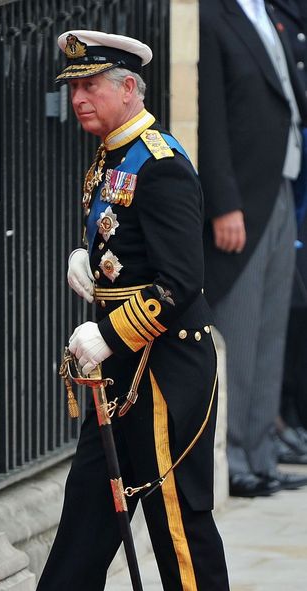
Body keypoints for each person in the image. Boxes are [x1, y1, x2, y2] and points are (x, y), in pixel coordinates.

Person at [0, 29, 239, 591]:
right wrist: (89, 268)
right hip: (122, 362)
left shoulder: (161, 162)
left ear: (128, 88)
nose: (79, 98)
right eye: (74, 87)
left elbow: (180, 282)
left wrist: (110, 331)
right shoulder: (108, 157)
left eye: (91, 86)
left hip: (165, 362)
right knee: (90, 493)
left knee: (176, 506)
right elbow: (129, 246)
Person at [198, 0, 307, 498]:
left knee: (270, 330)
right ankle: (235, 457)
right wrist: (224, 204)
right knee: (239, 331)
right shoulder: (210, 15)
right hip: (241, 197)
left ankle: (262, 454)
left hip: (280, 184)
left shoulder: (272, 14)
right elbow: (210, 117)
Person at [267, 0, 307, 464]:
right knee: (289, 302)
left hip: (298, 165)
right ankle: (279, 418)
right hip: (283, 177)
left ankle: (290, 415)